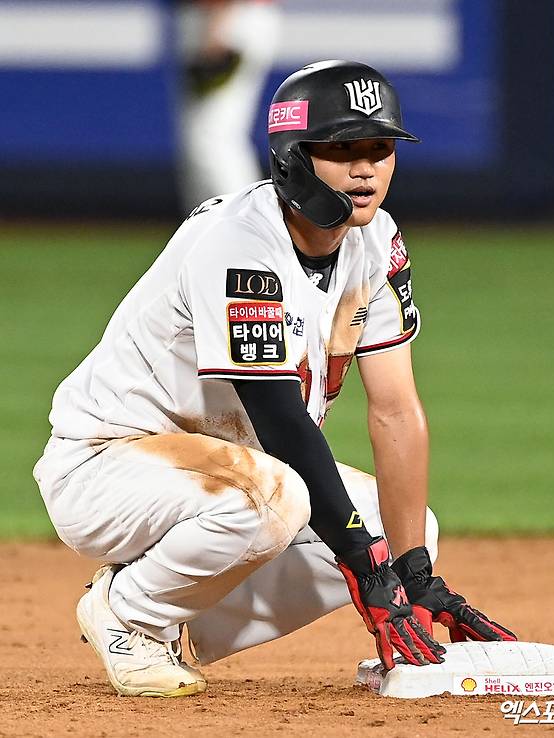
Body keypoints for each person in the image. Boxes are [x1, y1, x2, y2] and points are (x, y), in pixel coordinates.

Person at [34, 60, 516, 698]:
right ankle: (129, 614)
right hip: (108, 461)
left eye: (380, 148)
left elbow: (395, 409)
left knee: (407, 529)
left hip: (224, 470)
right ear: (293, 157)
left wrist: (412, 575)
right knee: (284, 498)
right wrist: (368, 570)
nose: (366, 167)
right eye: (342, 149)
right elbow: (283, 424)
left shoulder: (373, 244)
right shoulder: (238, 243)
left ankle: (180, 616)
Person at [179, 0, 281, 208]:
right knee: (198, 138)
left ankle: (249, 219)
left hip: (229, 18)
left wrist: (218, 23)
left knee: (213, 135)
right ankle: (204, 227)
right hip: (215, 16)